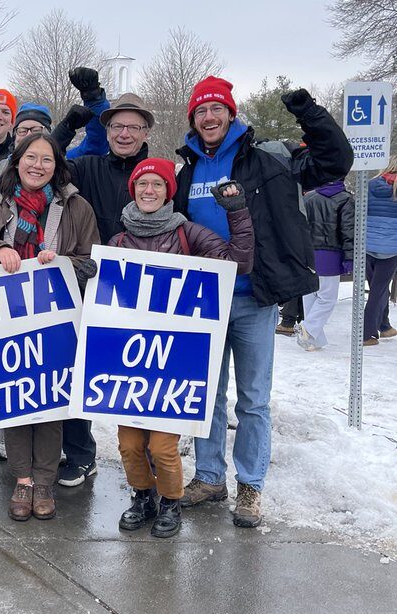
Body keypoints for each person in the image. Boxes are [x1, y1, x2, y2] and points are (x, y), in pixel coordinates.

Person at [172, 76, 352, 527]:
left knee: (252, 400)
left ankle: (250, 485)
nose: (209, 117)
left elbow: (335, 160)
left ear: (231, 114)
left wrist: (306, 108)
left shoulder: (269, 156)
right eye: (201, 111)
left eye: (217, 109)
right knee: (208, 397)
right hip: (203, 302)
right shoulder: (186, 170)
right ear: (192, 119)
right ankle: (210, 476)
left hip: (254, 298)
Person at [109, 158, 254, 538]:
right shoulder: (118, 242)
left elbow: (239, 264)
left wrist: (237, 214)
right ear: (133, 190)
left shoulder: (189, 233)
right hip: (131, 359)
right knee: (128, 443)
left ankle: (170, 501)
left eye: (157, 184)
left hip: (174, 360)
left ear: (169, 192)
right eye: (143, 184)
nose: (149, 191)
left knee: (162, 447)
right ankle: (143, 497)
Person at [0, 134, 100, 521]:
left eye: (47, 160)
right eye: (30, 158)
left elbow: (92, 262)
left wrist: (62, 263)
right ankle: (22, 479)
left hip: (57, 318)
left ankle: (44, 480)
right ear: (17, 161)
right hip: (5, 317)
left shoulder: (77, 208)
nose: (37, 166)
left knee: (51, 401)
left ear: (57, 166)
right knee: (16, 401)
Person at [53, 92, 156, 488]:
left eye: (133, 126)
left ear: (146, 131)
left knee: (140, 372)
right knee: (78, 368)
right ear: (106, 130)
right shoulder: (88, 166)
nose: (124, 134)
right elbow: (43, 163)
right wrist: (68, 126)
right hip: (88, 280)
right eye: (116, 126)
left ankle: (147, 461)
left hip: (142, 286)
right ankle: (80, 455)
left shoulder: (158, 171)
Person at [295, 180, 354, 350]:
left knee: (310, 295)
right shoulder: (345, 200)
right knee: (327, 298)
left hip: (308, 252)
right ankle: (309, 330)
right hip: (331, 253)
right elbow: (348, 231)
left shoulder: (309, 198)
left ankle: (313, 340)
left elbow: (299, 226)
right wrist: (350, 258)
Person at [362, 157, 397, 346]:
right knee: (378, 291)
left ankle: (384, 325)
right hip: (391, 248)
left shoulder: (369, 184)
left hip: (367, 246)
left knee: (378, 288)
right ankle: (367, 333)